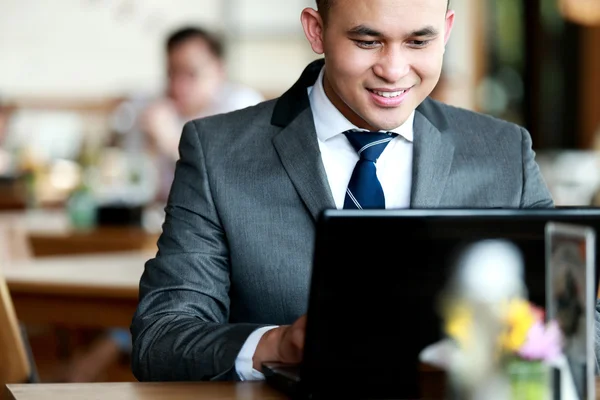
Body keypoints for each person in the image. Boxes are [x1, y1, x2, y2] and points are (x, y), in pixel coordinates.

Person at [131, 0, 565, 383]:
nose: (394, 69)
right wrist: (281, 345)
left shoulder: (504, 153)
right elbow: (162, 337)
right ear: (316, 31)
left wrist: (510, 344)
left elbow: (586, 329)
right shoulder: (218, 153)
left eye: (418, 42)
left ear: (446, 31)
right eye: (367, 41)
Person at [140, 26, 264, 202]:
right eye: (171, 73)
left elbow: (227, 186)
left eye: (191, 73)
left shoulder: (241, 106)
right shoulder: (163, 109)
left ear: (220, 70)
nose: (177, 85)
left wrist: (170, 142)